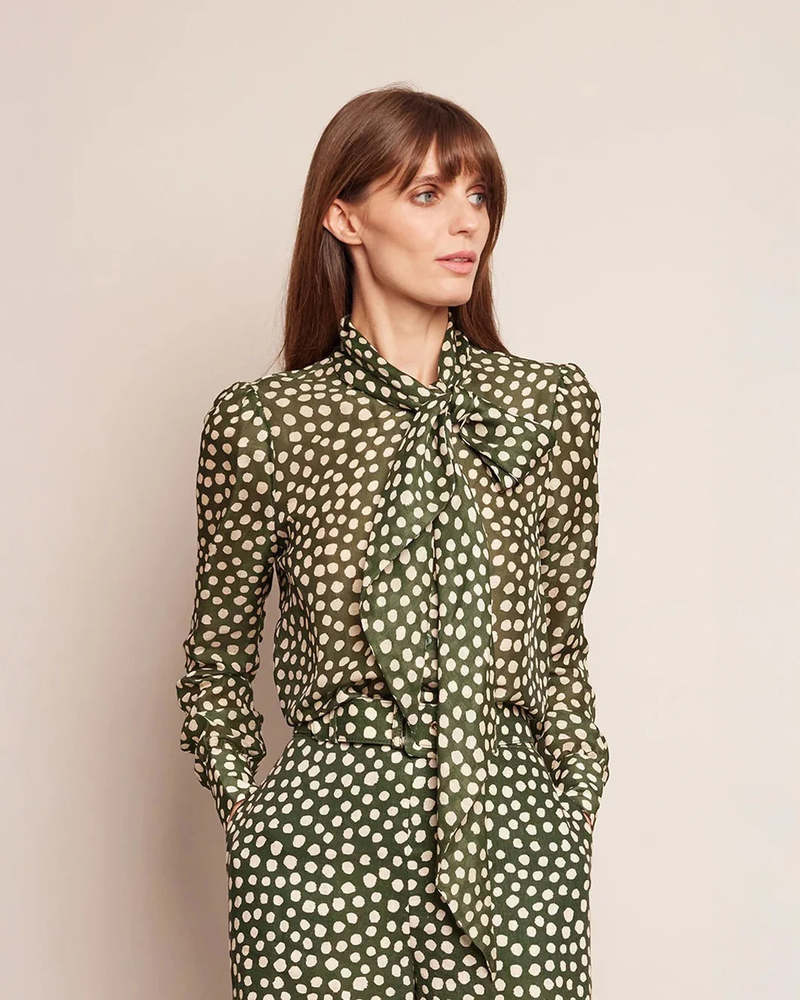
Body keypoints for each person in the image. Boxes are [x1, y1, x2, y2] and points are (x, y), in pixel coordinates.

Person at [176, 84, 610, 1000]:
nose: (467, 222)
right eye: (427, 194)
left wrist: (570, 804)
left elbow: (559, 643)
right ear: (345, 218)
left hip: (512, 832)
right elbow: (216, 664)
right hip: (323, 844)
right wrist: (254, 822)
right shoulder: (267, 423)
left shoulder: (548, 407)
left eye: (479, 195)